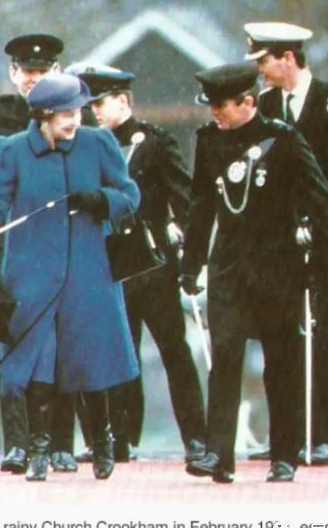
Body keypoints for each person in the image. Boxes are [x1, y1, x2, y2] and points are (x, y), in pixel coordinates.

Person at [0, 73, 141, 481]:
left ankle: (102, 445)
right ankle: (39, 451)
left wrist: (103, 200)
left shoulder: (98, 143)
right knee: (36, 363)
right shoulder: (10, 151)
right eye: (66, 113)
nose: (75, 120)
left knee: (91, 362)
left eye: (78, 110)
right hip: (32, 272)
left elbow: (130, 195)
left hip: (88, 271)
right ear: (43, 115)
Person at [181, 62, 328, 483]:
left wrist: (322, 266)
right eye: (210, 104)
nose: (214, 112)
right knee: (225, 357)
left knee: (280, 363)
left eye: (222, 105)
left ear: (248, 102)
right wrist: (191, 263)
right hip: (229, 266)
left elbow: (323, 203)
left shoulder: (282, 139)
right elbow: (200, 206)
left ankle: (284, 454)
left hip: (277, 267)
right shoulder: (210, 142)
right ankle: (218, 454)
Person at [244, 22, 328, 465]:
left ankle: (321, 433)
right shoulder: (264, 107)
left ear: (288, 57)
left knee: (317, 329)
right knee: (278, 335)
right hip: (276, 237)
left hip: (326, 233)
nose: (261, 71)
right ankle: (285, 436)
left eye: (265, 60)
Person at [0, 33, 83, 474]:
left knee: (62, 341)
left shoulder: (72, 114)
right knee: (16, 344)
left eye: (43, 71)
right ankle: (16, 443)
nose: (34, 79)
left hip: (60, 243)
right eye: (27, 71)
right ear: (15, 74)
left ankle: (60, 443)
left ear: (58, 72)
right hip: (11, 246)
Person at [79, 67, 207, 463]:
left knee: (174, 351)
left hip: (152, 264)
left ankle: (196, 439)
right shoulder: (88, 147)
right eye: (91, 105)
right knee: (119, 352)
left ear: (124, 101)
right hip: (109, 264)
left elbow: (184, 199)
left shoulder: (153, 143)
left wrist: (191, 258)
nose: (95, 112)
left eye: (101, 103)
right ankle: (121, 438)